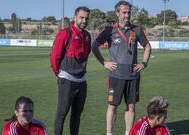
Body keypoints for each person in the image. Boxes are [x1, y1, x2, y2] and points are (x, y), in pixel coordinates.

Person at [92, 1, 151, 135]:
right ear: (117, 13)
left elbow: (147, 46)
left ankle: (128, 133)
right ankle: (109, 133)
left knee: (131, 106)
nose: (127, 15)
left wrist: (144, 63)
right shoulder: (109, 30)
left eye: (129, 12)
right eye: (124, 12)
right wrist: (104, 62)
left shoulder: (136, 30)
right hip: (116, 75)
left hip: (132, 74)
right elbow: (94, 46)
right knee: (112, 106)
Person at [50, 6, 91, 135]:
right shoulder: (65, 33)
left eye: (86, 18)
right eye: (81, 17)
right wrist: (58, 74)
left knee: (77, 115)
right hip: (67, 79)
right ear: (75, 18)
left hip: (82, 80)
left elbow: (87, 53)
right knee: (62, 114)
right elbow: (55, 56)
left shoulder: (88, 36)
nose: (84, 20)